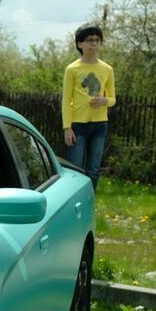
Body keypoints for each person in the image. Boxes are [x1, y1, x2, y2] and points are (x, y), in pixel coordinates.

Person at [62, 22, 115, 189]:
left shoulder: (107, 69)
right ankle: (72, 200)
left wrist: (104, 101)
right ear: (80, 44)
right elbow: (66, 100)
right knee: (75, 167)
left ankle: (89, 201)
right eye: (90, 39)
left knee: (93, 169)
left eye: (97, 40)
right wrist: (67, 128)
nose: (94, 43)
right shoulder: (72, 69)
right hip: (77, 125)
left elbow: (113, 98)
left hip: (99, 125)